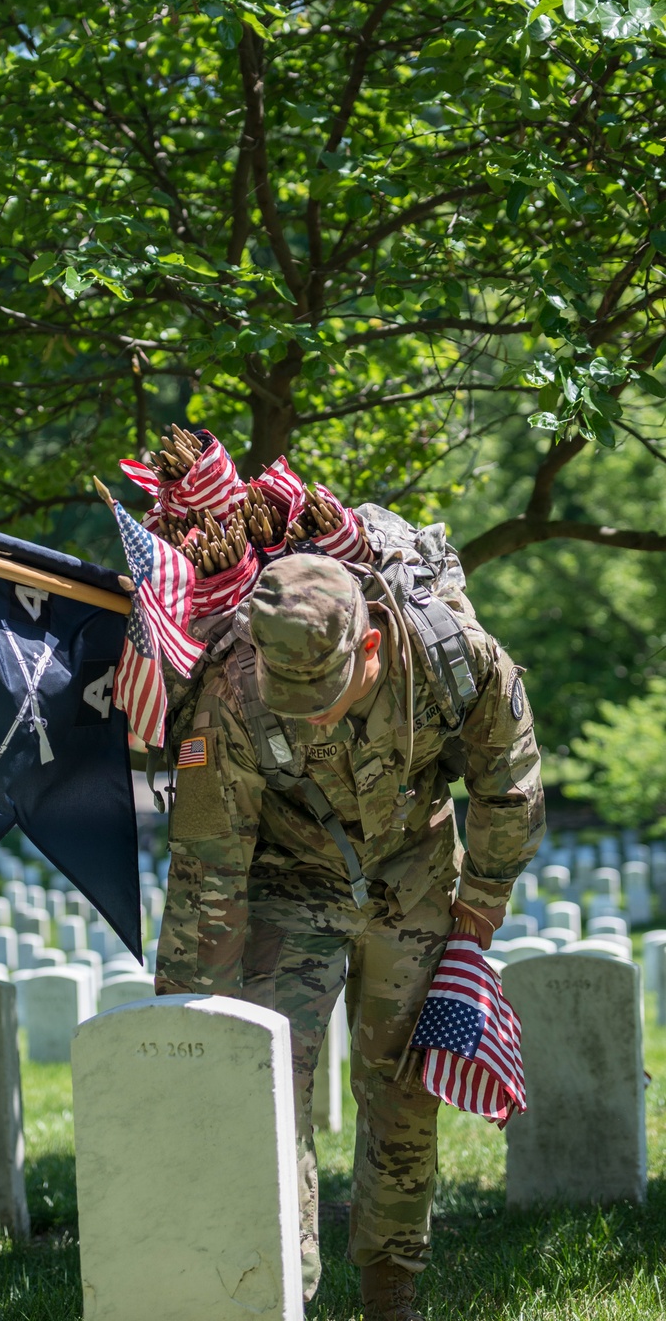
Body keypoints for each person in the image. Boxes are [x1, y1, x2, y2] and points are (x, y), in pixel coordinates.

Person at [154, 550, 544, 1320]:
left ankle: (390, 1286)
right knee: (266, 1084)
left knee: (400, 1087)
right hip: (289, 883)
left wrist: (484, 894)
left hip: (414, 869)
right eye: (289, 697)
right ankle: (282, 1285)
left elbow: (510, 776)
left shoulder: (452, 656)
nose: (308, 713)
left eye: (323, 696)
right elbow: (211, 863)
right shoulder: (231, 690)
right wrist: (190, 1018)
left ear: (368, 645)